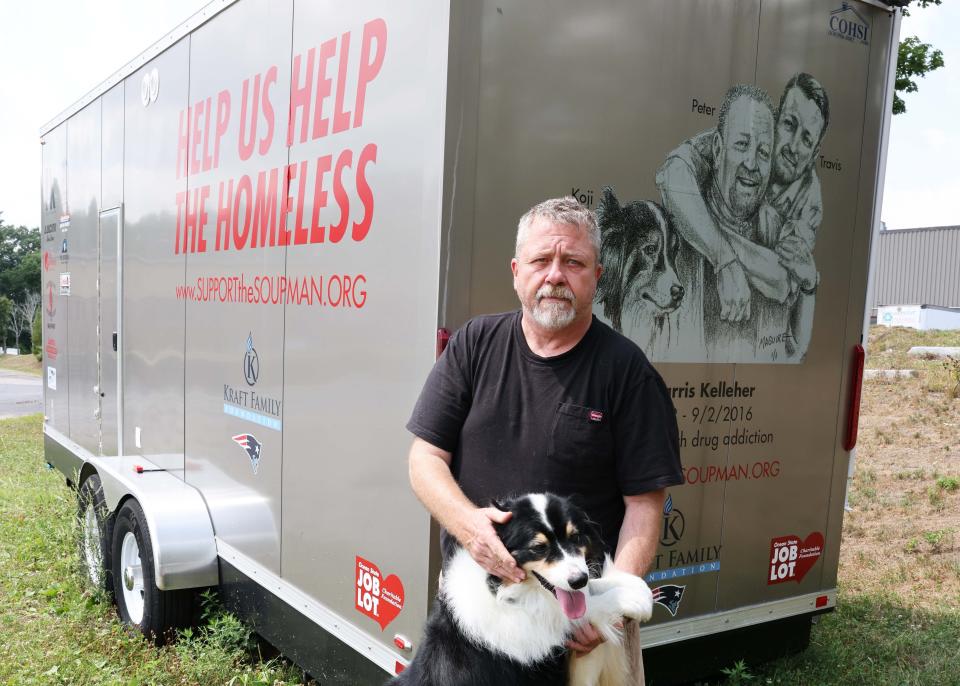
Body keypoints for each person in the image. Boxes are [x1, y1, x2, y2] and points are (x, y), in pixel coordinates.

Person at [406, 196, 684, 682]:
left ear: (597, 276)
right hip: (479, 617)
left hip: (580, 623)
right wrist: (472, 528)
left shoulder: (627, 373)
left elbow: (644, 506)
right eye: (541, 261)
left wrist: (610, 610)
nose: (555, 275)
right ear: (517, 271)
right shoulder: (474, 345)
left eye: (573, 262)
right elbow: (425, 457)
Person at [656, 77, 827, 361]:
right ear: (719, 149)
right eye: (741, 145)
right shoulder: (680, 210)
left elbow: (783, 281)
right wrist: (725, 259)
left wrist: (723, 245)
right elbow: (672, 174)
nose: (752, 163)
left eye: (762, 152)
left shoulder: (800, 211)